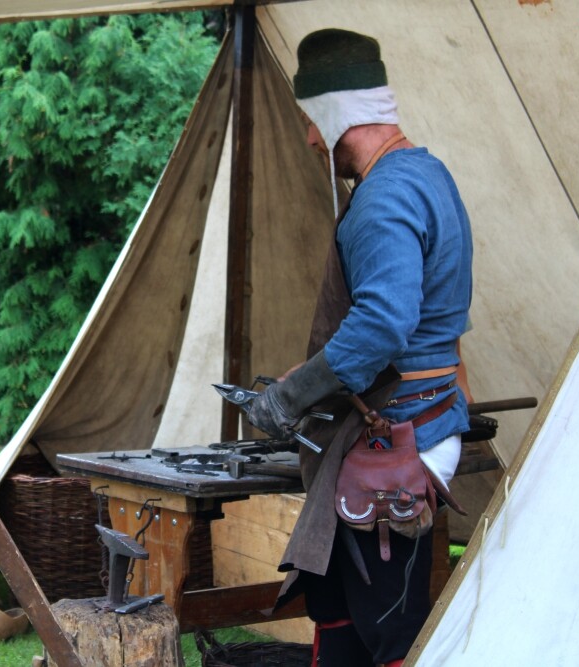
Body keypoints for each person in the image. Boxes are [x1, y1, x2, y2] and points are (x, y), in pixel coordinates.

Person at [247, 29, 473, 667]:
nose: (312, 140)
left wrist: (289, 397)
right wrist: (316, 373)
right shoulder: (428, 173)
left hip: (396, 440)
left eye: (313, 124)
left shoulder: (382, 198)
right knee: (340, 613)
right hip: (407, 423)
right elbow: (437, 312)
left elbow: (383, 324)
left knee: (389, 638)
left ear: (336, 113)